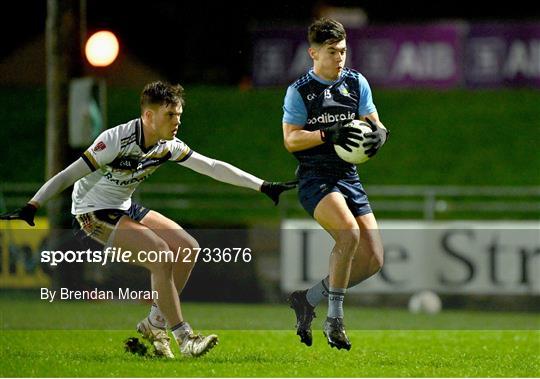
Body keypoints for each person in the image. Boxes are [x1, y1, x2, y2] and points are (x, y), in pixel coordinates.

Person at [1, 81, 297, 358]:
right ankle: (185, 338)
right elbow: (68, 174)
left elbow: (212, 167)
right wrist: (33, 204)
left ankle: (154, 324)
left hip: (123, 206)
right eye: (170, 115)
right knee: (160, 255)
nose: (177, 121)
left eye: (179, 114)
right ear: (148, 115)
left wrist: (262, 185)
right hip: (93, 211)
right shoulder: (115, 140)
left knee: (188, 247)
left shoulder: (167, 144)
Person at [282, 18, 389, 350]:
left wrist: (381, 135)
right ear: (313, 53)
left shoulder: (357, 83)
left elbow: (375, 123)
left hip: (348, 177)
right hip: (316, 179)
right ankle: (335, 321)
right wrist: (328, 133)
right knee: (349, 233)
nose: (339, 57)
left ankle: (307, 299)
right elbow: (291, 139)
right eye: (331, 51)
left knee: (373, 259)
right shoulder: (300, 91)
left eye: (343, 51)